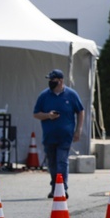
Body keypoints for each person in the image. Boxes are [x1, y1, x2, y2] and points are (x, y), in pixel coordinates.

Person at [33, 69, 84, 198]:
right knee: (52, 163)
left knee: (62, 161)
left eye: (53, 80)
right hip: (49, 136)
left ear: (60, 81)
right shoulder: (44, 95)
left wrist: (78, 129)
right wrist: (48, 115)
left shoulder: (71, 95)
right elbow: (36, 114)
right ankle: (54, 187)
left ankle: (62, 188)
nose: (50, 82)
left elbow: (80, 111)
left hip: (65, 136)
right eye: (49, 80)